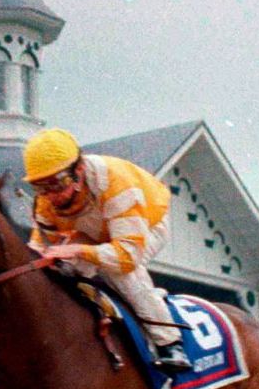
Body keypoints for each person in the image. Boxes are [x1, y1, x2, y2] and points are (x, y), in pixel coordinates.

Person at [23, 128, 191, 373]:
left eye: (58, 184)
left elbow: (126, 257)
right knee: (62, 268)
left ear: (79, 169)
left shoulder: (117, 184)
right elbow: (39, 253)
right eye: (40, 187)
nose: (51, 196)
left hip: (146, 224)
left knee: (118, 271)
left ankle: (170, 342)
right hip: (94, 229)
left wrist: (80, 250)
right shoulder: (46, 202)